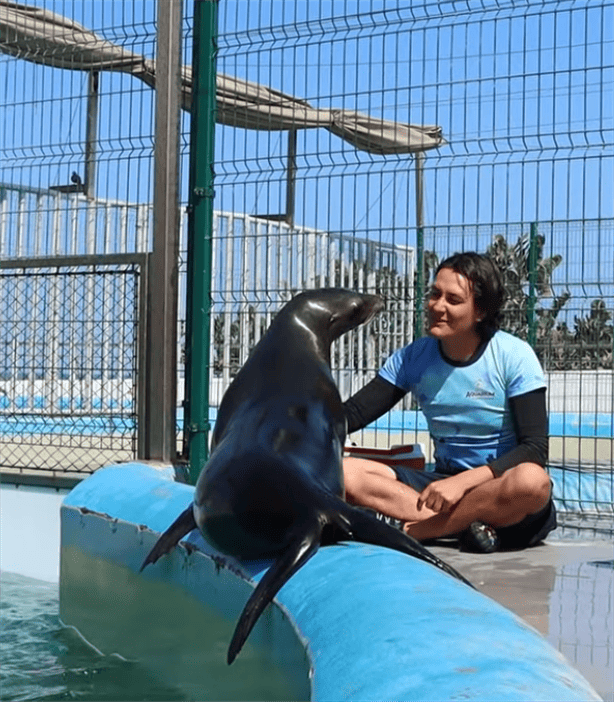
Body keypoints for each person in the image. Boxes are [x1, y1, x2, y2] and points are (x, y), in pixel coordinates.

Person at [343, 251, 557, 552]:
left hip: (498, 487)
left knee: (532, 482)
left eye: (453, 300)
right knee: (345, 473)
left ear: (480, 311)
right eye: (434, 294)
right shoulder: (413, 358)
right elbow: (351, 414)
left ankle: (419, 530)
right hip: (439, 486)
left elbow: (535, 448)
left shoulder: (514, 356)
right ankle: (462, 525)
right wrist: (291, 423)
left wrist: (463, 484)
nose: (437, 306)